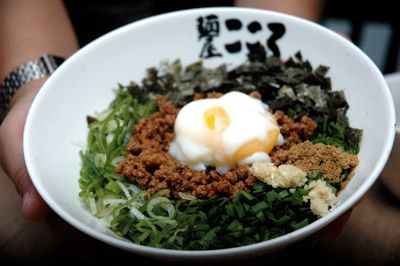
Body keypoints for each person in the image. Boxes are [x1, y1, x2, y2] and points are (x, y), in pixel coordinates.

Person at [2, 0, 354, 263]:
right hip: (81, 46)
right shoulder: (166, 138)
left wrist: (293, 35)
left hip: (228, 34)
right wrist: (38, 81)